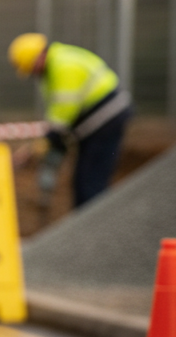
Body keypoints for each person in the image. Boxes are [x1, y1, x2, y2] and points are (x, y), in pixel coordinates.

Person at [8, 33, 132, 208]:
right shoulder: (57, 64)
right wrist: (52, 139)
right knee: (84, 180)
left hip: (106, 119)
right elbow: (59, 113)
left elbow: (64, 112)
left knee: (91, 181)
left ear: (38, 57)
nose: (32, 73)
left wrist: (50, 140)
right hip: (98, 123)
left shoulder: (63, 66)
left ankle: (94, 225)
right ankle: (87, 222)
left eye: (30, 67)